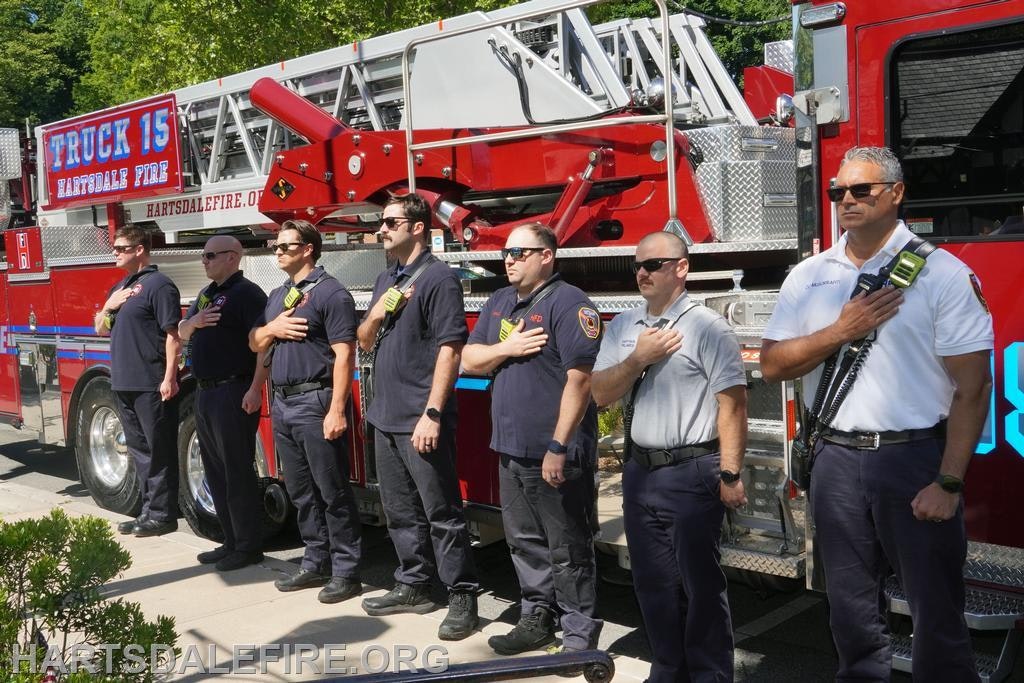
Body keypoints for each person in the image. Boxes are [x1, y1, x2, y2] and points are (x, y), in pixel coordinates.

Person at [760, 146, 992, 682]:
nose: (847, 200)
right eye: (837, 191)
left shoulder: (942, 275)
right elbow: (772, 365)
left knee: (935, 608)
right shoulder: (809, 275)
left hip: (912, 458)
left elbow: (973, 388)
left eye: (861, 190)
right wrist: (840, 332)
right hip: (836, 460)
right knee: (849, 606)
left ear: (896, 193)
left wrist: (949, 482)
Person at [591, 230, 748, 683]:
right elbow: (599, 395)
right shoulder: (624, 327)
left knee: (700, 587)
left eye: (653, 264)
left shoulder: (707, 327)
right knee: (653, 585)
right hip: (640, 472)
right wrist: (636, 359)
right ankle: (668, 670)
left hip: (693, 471)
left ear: (681, 268)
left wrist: (730, 472)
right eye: (637, 265)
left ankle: (709, 675)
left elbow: (731, 403)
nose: (642, 272)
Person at [462, 223, 604, 655]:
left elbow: (580, 382)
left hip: (553, 450)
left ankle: (578, 634)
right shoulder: (501, 301)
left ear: (547, 256)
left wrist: (559, 446)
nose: (508, 259)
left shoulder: (571, 304)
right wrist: (507, 348)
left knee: (568, 547)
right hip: (509, 448)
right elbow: (469, 360)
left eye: (519, 253)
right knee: (523, 542)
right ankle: (536, 618)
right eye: (506, 252)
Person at [356, 192, 479, 641]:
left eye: (389, 222)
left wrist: (433, 412)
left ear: (417, 227)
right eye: (380, 222)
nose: (381, 229)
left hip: (419, 416)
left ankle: (463, 595)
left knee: (442, 511)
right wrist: (377, 311)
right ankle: (413, 584)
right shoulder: (387, 278)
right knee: (400, 510)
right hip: (385, 416)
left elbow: (451, 348)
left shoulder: (439, 279)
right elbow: (365, 340)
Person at [249, 220, 363, 604]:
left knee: (332, 490)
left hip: (316, 401)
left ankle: (347, 571)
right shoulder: (277, 295)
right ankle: (315, 561)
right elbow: (256, 342)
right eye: (275, 245)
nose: (277, 251)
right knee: (299, 490)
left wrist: (337, 410)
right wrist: (274, 328)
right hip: (282, 402)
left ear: (308, 249)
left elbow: (345, 354)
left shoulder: (332, 294)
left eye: (285, 245)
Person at [178, 236, 268, 571]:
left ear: (232, 257)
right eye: (203, 256)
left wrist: (256, 388)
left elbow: (263, 344)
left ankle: (247, 546)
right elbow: (182, 330)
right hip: (204, 392)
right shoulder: (206, 294)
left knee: (236, 471)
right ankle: (229, 541)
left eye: (210, 256)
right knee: (215, 471)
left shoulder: (248, 294)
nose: (204, 261)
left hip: (233, 390)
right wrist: (195, 323)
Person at [95, 224, 182, 537]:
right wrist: (109, 306)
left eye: (120, 248)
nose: (115, 253)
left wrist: (169, 377)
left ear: (140, 249)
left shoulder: (160, 286)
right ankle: (147, 511)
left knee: (158, 451)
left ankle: (162, 515)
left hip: (150, 381)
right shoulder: (119, 289)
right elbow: (99, 328)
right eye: (115, 248)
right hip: (123, 382)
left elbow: (173, 335)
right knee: (139, 451)